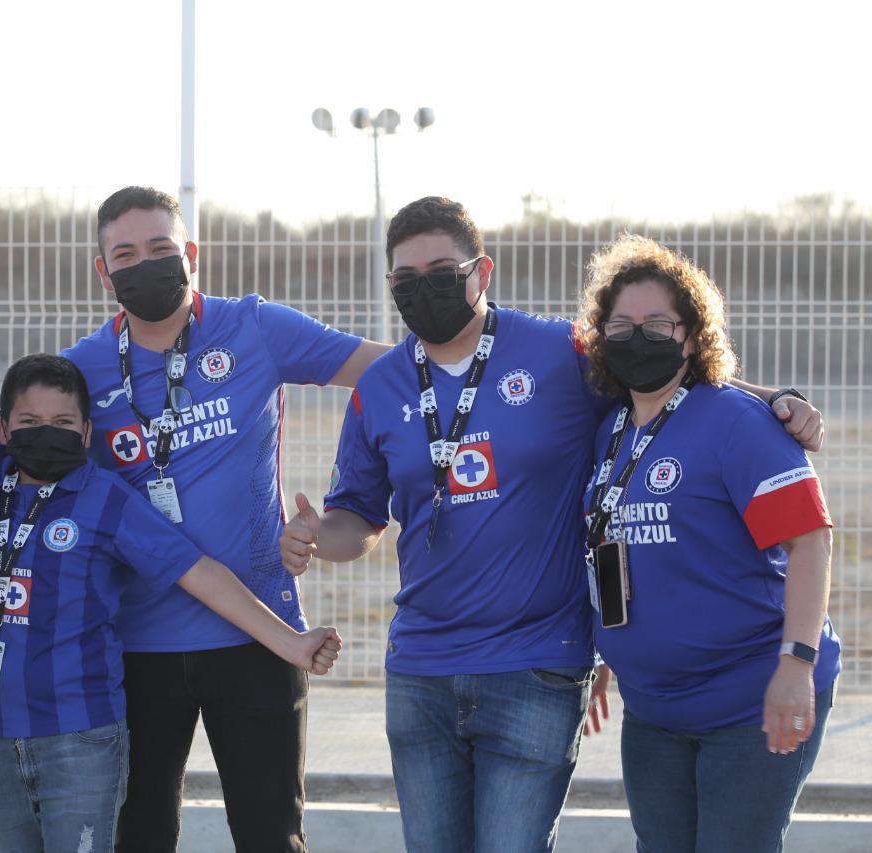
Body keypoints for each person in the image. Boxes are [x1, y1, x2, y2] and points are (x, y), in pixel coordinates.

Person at [279, 196, 825, 853]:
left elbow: (671, 372)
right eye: (405, 277)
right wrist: (316, 536)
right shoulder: (380, 387)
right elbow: (359, 520)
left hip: (534, 668)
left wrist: (777, 398)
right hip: (422, 669)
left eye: (442, 269)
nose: (423, 286)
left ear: (482, 270)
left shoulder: (560, 352)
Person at [61, 186, 387, 852]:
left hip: (261, 639)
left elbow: (384, 372)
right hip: (133, 650)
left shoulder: (254, 327)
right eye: (124, 253)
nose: (144, 263)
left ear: (192, 255)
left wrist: (348, 497)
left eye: (161, 249)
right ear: (103, 270)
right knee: (139, 836)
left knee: (272, 838)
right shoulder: (80, 370)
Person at [0, 353, 343, 853]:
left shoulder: (106, 498)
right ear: (3, 431)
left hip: (79, 738)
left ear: (88, 432)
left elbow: (197, 571)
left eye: (62, 423)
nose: (45, 433)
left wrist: (290, 643)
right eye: (29, 423)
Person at [578, 234, 839, 852]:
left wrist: (795, 665)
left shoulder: (738, 423)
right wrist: (609, 650)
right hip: (655, 711)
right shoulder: (609, 429)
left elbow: (810, 544)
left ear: (693, 336)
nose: (637, 336)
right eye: (622, 324)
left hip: (750, 703)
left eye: (658, 324)